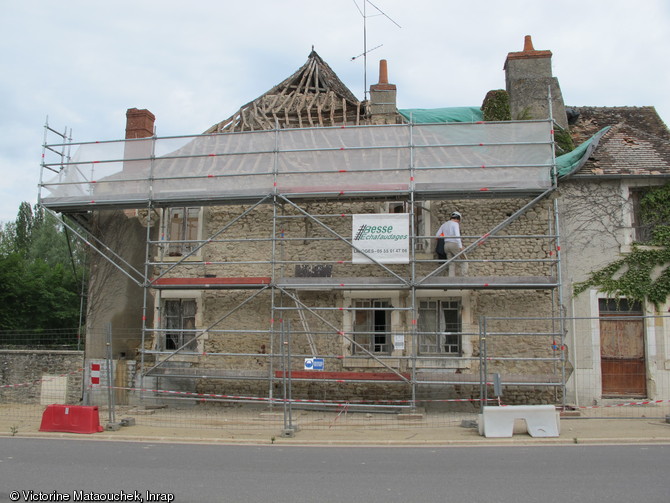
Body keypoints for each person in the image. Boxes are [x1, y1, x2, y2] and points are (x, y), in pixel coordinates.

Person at [435, 211, 468, 276]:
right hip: (454, 244)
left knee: (451, 263)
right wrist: (460, 246)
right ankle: (465, 277)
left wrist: (445, 236)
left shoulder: (444, 224)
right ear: (458, 218)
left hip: (446, 245)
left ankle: (451, 279)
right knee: (464, 261)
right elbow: (457, 236)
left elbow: (437, 235)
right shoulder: (455, 224)